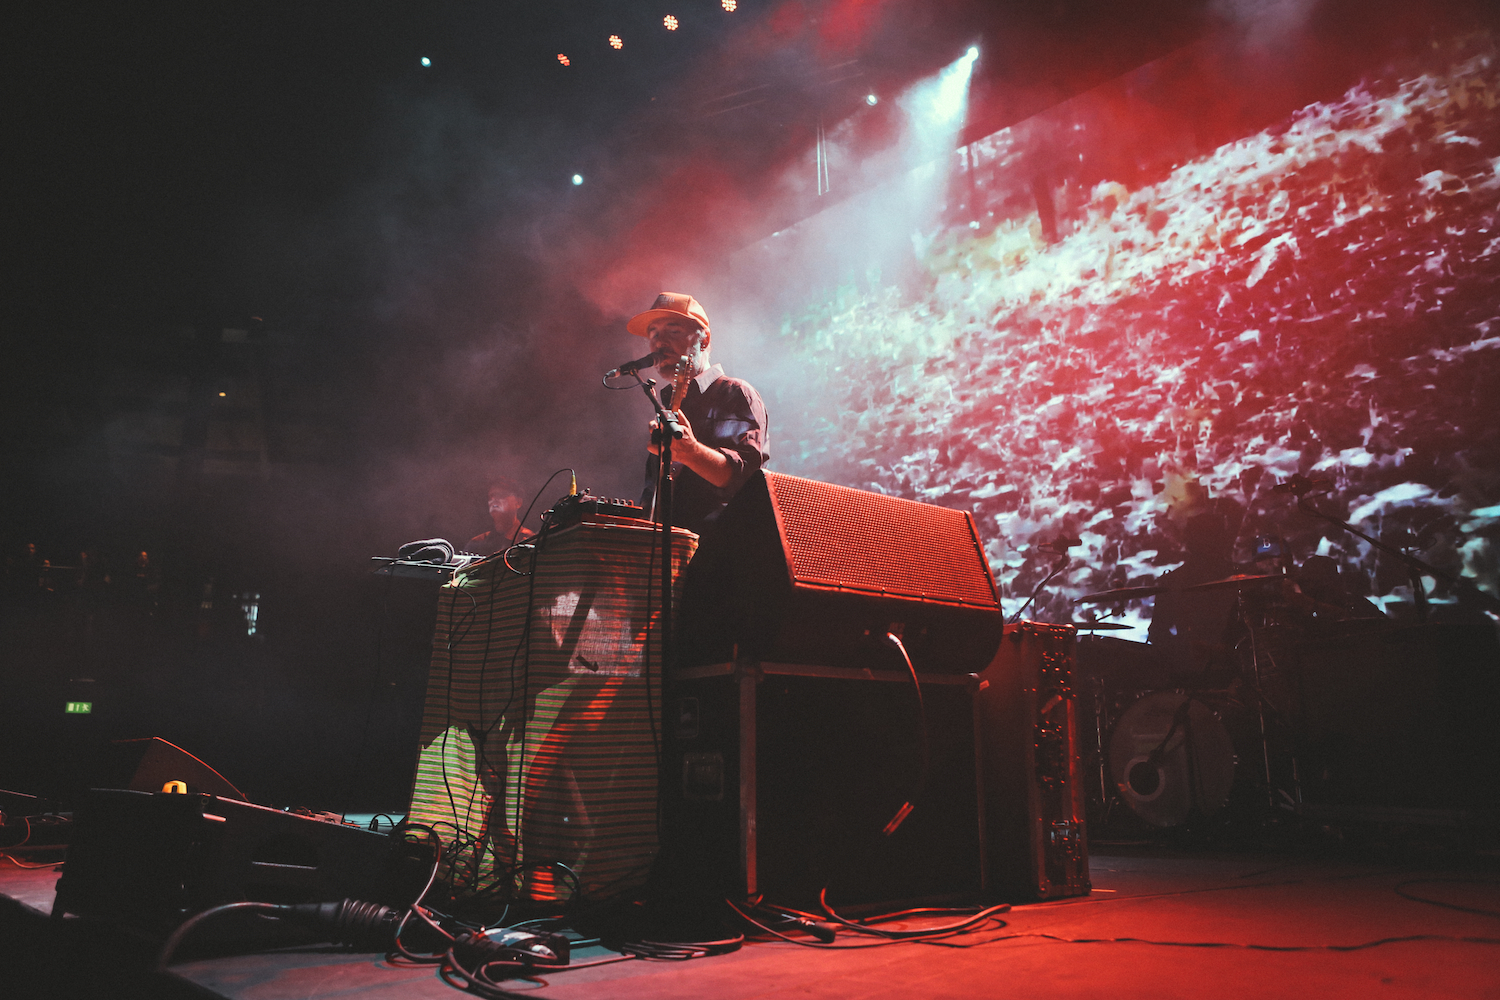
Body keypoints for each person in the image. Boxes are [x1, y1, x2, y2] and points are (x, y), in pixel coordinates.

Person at [626, 292, 769, 535]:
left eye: (673, 331)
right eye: (654, 334)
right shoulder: (668, 406)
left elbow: (747, 480)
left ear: (704, 340)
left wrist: (692, 452)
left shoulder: (735, 393)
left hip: (719, 550)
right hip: (673, 552)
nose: (659, 343)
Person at [467, 479, 533, 555]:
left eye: (501, 495)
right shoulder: (476, 543)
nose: (493, 499)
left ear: (518, 502)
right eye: (491, 496)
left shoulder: (530, 540)